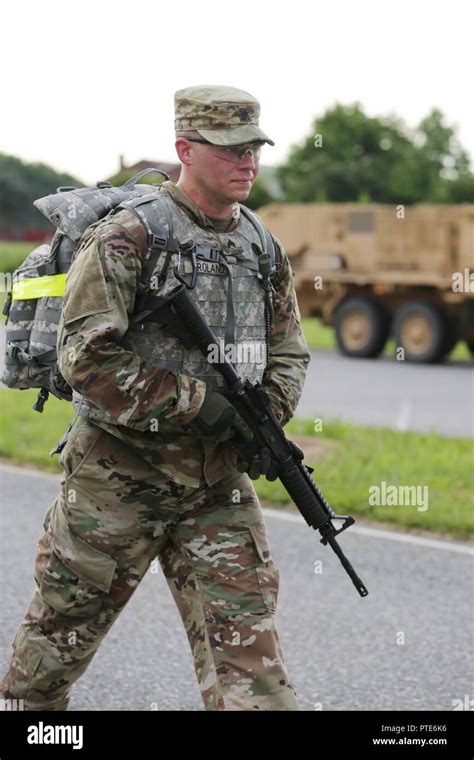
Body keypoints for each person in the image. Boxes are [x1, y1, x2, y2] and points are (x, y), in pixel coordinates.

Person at [0, 85, 310, 711]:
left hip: (214, 481)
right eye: (228, 149)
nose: (246, 161)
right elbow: (85, 357)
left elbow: (290, 349)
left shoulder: (259, 244)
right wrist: (204, 406)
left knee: (254, 669)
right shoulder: (128, 237)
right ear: (185, 150)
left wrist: (264, 419)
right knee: (53, 654)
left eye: (253, 148)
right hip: (117, 477)